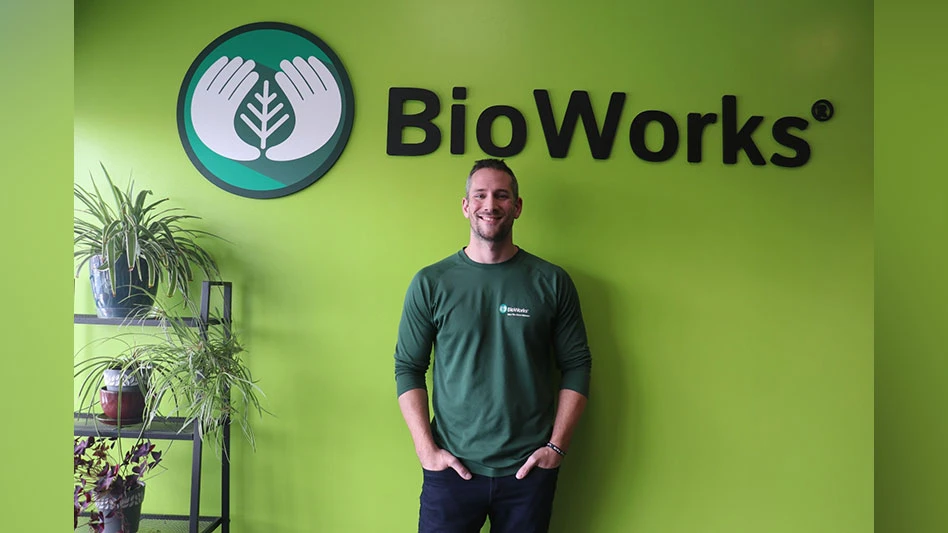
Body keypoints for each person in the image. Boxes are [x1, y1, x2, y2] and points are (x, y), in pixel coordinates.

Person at [393, 159, 593, 533]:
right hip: (451, 469)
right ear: (466, 206)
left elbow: (578, 365)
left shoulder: (551, 282)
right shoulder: (432, 283)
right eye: (480, 195)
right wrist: (426, 449)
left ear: (517, 206)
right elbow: (408, 367)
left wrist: (556, 448)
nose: (491, 204)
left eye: (502, 195)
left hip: (527, 473)